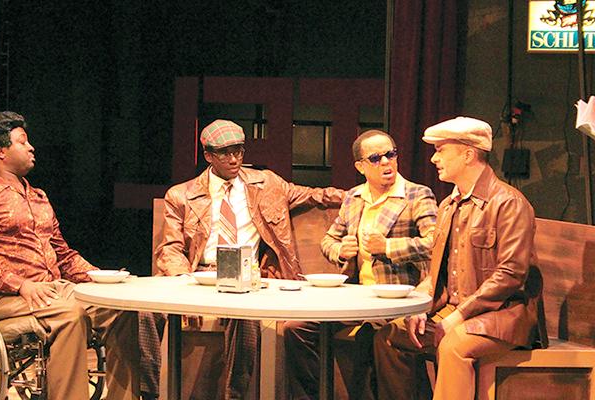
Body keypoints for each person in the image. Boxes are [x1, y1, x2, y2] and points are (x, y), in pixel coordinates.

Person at [139, 119, 345, 400]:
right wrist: (181, 281)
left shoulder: (267, 184)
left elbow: (315, 196)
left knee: (244, 312)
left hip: (246, 275)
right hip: (198, 276)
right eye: (225, 153)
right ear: (209, 156)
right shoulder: (182, 195)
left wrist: (358, 196)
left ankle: (235, 395)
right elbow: (171, 247)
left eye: (239, 151)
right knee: (145, 311)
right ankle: (146, 392)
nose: (234, 159)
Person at [0, 111, 140, 400]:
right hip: (4, 298)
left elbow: (63, 254)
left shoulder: (38, 197)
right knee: (70, 314)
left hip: (51, 290)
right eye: (22, 142)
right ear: (0, 151)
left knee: (121, 309)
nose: (31, 147)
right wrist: (20, 284)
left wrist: (101, 278)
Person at [373, 116, 540, 400]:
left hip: (502, 316)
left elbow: (510, 274)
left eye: (441, 150)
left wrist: (460, 315)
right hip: (452, 310)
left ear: (467, 154)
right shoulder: (448, 205)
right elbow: (435, 271)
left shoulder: (508, 203)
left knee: (453, 345)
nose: (434, 158)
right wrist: (420, 308)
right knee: (389, 336)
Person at [283, 130, 438, 400]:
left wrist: (388, 247)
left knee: (378, 341)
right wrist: (341, 251)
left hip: (397, 298)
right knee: (295, 328)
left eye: (391, 154)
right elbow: (329, 240)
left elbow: (434, 244)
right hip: (357, 297)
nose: (386, 163)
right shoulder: (354, 197)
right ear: (360, 166)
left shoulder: (416, 195)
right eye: (376, 158)